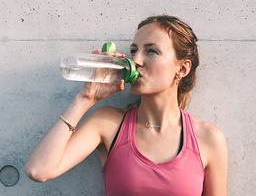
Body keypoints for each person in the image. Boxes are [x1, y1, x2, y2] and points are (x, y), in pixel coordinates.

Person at [24, 15, 228, 195]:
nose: (136, 60)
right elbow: (39, 170)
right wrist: (85, 98)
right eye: (134, 50)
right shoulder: (107, 123)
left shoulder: (208, 139)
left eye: (151, 51)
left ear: (182, 68)